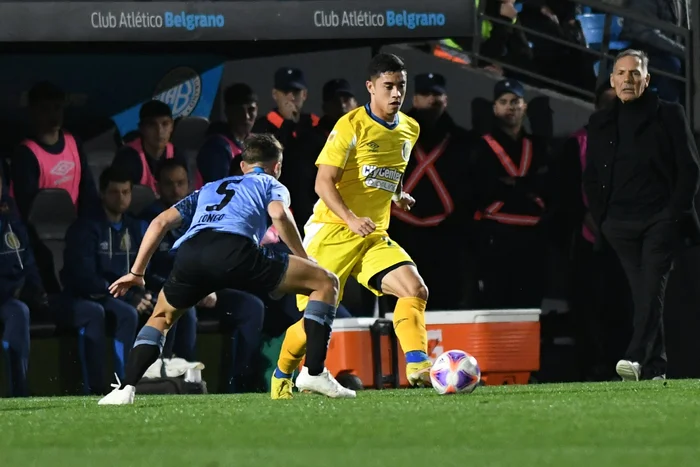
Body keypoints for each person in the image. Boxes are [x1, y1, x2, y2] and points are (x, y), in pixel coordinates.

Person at [98, 134, 354, 405]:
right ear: (277, 167)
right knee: (326, 282)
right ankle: (313, 372)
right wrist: (303, 259)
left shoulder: (209, 187)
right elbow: (279, 214)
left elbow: (161, 222)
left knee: (161, 318)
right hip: (235, 251)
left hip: (191, 255)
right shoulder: (270, 183)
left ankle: (125, 389)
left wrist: (137, 272)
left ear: (243, 165)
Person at [272, 53, 431, 400]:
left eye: (400, 86)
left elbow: (386, 169)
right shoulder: (349, 125)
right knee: (314, 323)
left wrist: (399, 194)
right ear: (370, 87)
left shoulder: (410, 128)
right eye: (388, 86)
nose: (395, 94)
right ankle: (282, 372)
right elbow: (323, 184)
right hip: (331, 232)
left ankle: (419, 367)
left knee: (415, 289)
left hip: (372, 233)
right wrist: (350, 218)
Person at [583, 49, 700, 381]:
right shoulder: (600, 122)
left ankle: (634, 358)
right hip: (618, 225)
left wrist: (672, 215)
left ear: (647, 80)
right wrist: (602, 219)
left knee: (650, 290)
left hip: (659, 222)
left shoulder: (670, 114)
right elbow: (591, 175)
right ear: (612, 80)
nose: (627, 79)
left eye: (635, 73)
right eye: (621, 73)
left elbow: (689, 170)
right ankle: (655, 367)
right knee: (645, 295)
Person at [60, 166, 148, 394]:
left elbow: (144, 267)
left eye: (126, 192)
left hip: (118, 294)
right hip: (85, 295)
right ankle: (116, 386)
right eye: (114, 192)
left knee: (165, 304)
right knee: (124, 313)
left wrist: (144, 292)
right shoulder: (86, 227)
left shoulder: (134, 226)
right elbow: (84, 277)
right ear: (102, 193)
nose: (121, 198)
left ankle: (170, 376)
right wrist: (129, 295)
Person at [0, 176, 47, 397]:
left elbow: (28, 262)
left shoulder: (12, 222)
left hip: (8, 299)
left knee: (20, 310)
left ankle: (19, 390)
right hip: (6, 293)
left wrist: (36, 290)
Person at [111, 100, 188, 194]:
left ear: (172, 126)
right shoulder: (127, 158)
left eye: (165, 124)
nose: (159, 131)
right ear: (141, 128)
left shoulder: (177, 155)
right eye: (152, 125)